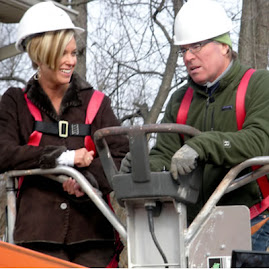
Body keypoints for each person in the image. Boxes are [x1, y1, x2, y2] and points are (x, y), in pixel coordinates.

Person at [121, 0, 269, 251]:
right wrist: (143, 167)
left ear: (224, 45)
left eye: (197, 46)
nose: (188, 57)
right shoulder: (180, 101)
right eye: (183, 50)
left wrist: (202, 145)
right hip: (193, 226)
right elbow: (165, 156)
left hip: (253, 219)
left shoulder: (258, 85)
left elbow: (259, 140)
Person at [0, 1, 128, 267]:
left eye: (74, 53)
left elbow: (121, 157)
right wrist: (64, 159)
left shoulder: (97, 104)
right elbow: (4, 153)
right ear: (40, 55)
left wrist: (88, 179)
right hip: (35, 239)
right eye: (63, 54)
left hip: (93, 237)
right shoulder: (15, 103)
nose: (71, 61)